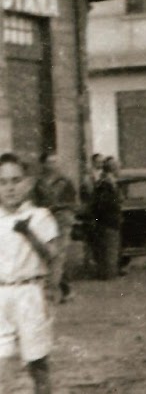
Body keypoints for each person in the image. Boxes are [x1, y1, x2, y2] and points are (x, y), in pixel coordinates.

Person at [0, 153, 60, 393]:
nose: (10, 188)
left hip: (29, 294)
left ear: (27, 183)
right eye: (3, 182)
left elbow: (51, 255)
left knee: (37, 362)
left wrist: (29, 234)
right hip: (1, 294)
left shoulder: (39, 216)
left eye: (15, 181)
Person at [30, 155, 75, 303]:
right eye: (50, 162)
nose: (53, 165)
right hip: (45, 220)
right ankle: (66, 289)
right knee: (50, 256)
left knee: (58, 255)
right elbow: (35, 202)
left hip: (62, 221)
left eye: (55, 161)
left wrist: (58, 207)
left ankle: (52, 290)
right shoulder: (38, 183)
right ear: (43, 164)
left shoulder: (65, 181)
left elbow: (72, 202)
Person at [84, 157, 121, 281]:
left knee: (107, 247)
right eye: (117, 166)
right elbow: (104, 203)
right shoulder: (106, 183)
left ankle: (107, 273)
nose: (119, 169)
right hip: (108, 220)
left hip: (106, 220)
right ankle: (108, 274)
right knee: (109, 247)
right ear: (113, 168)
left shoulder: (106, 182)